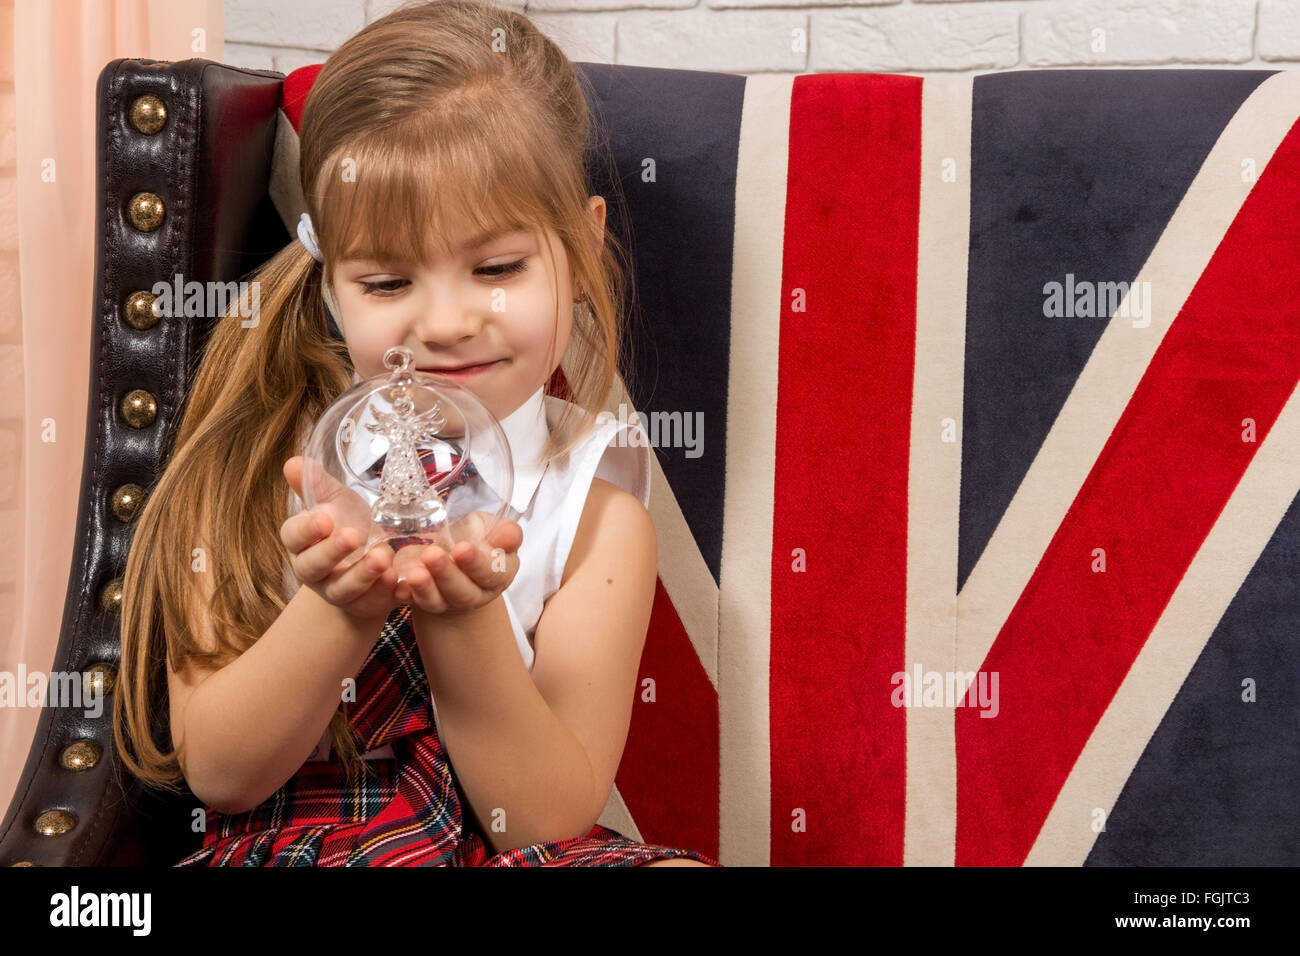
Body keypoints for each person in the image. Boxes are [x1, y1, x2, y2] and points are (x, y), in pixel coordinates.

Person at [113, 0, 719, 867]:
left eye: (498, 268)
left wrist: (464, 617)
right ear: (331, 285)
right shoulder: (262, 460)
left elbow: (545, 820)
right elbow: (219, 773)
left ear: (580, 253)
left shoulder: (592, 508)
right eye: (389, 282)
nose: (445, 322)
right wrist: (338, 609)